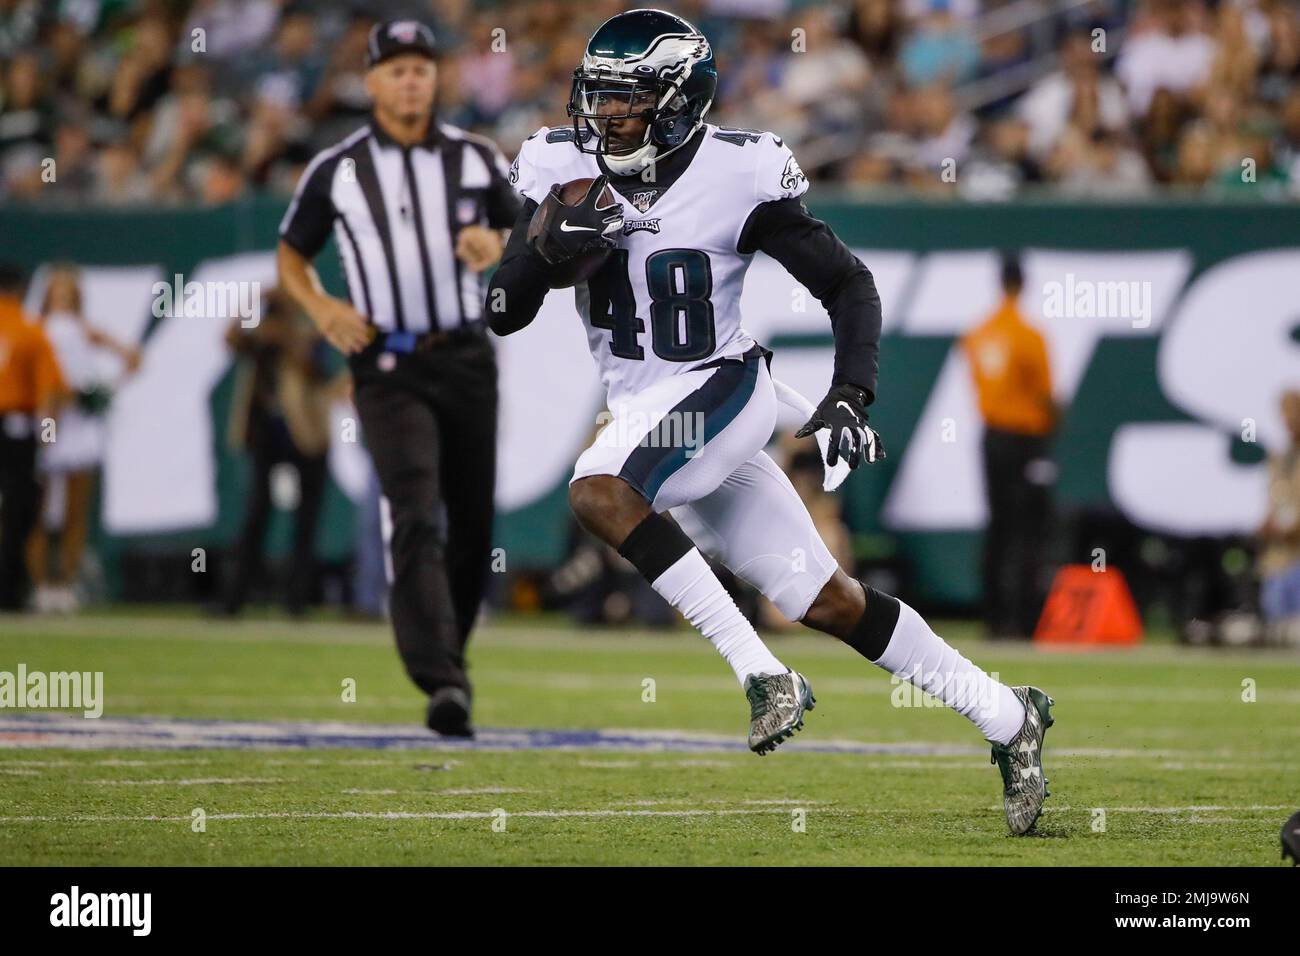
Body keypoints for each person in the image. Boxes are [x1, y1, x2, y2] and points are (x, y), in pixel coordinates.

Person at [487, 8, 1055, 835]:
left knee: (599, 491)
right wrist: (541, 253)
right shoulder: (560, 165)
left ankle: (761, 674)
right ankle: (1010, 716)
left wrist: (849, 393)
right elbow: (501, 309)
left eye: (626, 100)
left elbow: (847, 283)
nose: (605, 116)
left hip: (723, 386)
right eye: (599, 97)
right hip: (647, 407)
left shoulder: (736, 173)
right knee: (827, 600)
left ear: (679, 102)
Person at [277, 20, 519, 737]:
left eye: (422, 67)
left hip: (465, 355)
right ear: (373, 81)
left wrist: (497, 241)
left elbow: (532, 234)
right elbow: (292, 255)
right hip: (385, 363)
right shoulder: (339, 168)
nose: (411, 80)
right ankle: (442, 679)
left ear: (437, 77)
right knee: (412, 508)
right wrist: (322, 309)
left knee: (473, 521)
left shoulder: (477, 158)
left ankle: (450, 657)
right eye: (396, 69)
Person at [219, 290, 343, 617]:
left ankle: (297, 600)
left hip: (307, 435)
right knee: (256, 514)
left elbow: (319, 372)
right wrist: (252, 300)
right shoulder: (260, 340)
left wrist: (289, 336)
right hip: (267, 435)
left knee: (306, 518)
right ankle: (235, 598)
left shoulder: (309, 335)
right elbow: (230, 338)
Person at [28, 263, 142, 613]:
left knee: (76, 509)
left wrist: (100, 390)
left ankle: (65, 584)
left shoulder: (83, 330)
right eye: (56, 291)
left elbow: (132, 358)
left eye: (67, 292)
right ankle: (40, 585)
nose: (61, 297)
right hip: (49, 420)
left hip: (78, 424)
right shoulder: (37, 331)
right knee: (41, 507)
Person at [962, 253, 1058, 639]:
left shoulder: (979, 333)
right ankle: (1023, 619)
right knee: (1028, 529)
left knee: (998, 526)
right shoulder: (1029, 336)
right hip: (1025, 440)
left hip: (991, 437)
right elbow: (1046, 396)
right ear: (1024, 283)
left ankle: (993, 617)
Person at [0, 263, 67, 610]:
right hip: (17, 429)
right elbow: (49, 393)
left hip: (16, 424)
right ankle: (9, 590)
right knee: (20, 507)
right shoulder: (29, 328)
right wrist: (47, 436)